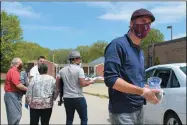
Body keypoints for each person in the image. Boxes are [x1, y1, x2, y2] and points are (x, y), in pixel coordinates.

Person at [104, 8, 161, 125]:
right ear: (131, 23)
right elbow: (111, 79)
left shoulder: (139, 52)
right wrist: (142, 92)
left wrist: (148, 89)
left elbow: (135, 80)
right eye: (143, 20)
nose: (146, 25)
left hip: (139, 108)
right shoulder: (117, 45)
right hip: (122, 112)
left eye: (149, 23)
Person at [56, 50, 94, 125]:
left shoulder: (62, 70)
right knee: (83, 119)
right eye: (79, 58)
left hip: (67, 98)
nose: (80, 60)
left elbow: (57, 85)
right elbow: (82, 84)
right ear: (73, 59)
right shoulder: (79, 70)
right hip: (78, 97)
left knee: (69, 119)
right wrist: (90, 82)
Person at [4, 57, 28, 125]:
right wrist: (28, 89)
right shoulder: (13, 71)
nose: (22, 65)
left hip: (13, 95)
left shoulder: (14, 71)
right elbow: (18, 85)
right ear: (17, 64)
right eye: (21, 63)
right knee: (15, 117)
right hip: (12, 95)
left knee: (15, 116)